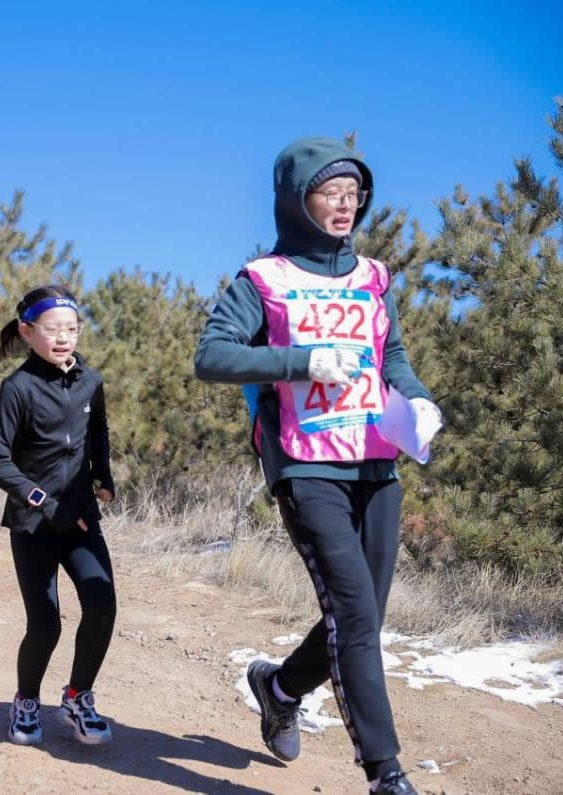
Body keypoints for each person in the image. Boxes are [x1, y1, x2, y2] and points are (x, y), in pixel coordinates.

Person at [194, 138, 439, 795]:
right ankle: (385, 773)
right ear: (297, 198)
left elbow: (391, 355)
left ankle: (279, 688)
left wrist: (416, 398)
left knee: (360, 619)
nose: (344, 204)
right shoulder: (263, 279)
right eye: (330, 192)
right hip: (306, 466)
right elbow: (211, 356)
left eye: (353, 193)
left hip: (376, 463)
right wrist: (301, 362)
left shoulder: (374, 277)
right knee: (354, 616)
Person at [0, 285, 118, 748]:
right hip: (35, 523)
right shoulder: (18, 388)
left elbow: (98, 433)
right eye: (53, 329)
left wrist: (103, 475)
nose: (63, 338)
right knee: (45, 622)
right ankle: (26, 700)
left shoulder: (90, 381)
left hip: (79, 519)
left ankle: (78, 697)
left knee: (102, 606)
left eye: (71, 329)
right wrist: (43, 502)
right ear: (27, 332)